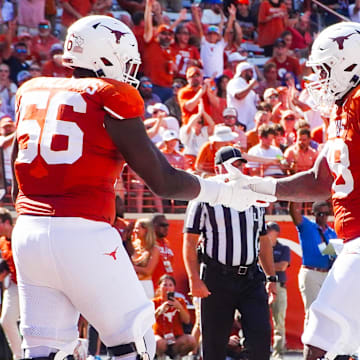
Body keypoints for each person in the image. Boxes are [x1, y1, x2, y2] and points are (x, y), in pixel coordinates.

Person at [11, 15, 274, 360]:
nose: (131, 69)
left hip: (27, 233)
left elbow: (17, 178)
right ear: (105, 56)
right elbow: (163, 181)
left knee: (44, 349)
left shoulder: (32, 91)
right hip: (84, 231)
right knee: (133, 340)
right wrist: (222, 191)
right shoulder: (109, 94)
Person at [246, 20, 360, 360]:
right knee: (337, 343)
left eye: (326, 70)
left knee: (323, 335)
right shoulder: (342, 109)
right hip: (352, 236)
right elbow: (319, 179)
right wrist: (261, 187)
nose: (319, 80)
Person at [183, 145, 277, 360]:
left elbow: (262, 240)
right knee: (214, 345)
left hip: (251, 278)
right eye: (234, 165)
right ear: (218, 169)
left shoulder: (254, 196)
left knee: (261, 340)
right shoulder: (204, 197)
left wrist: (271, 277)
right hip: (217, 277)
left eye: (241, 164)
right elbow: (189, 241)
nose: (240, 169)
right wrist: (194, 279)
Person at [289, 201, 336, 329]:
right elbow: (294, 212)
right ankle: (309, 347)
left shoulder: (332, 232)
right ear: (313, 213)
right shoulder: (307, 226)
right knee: (312, 311)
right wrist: (294, 196)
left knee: (327, 313)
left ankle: (325, 347)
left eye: (327, 213)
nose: (324, 216)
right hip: (311, 273)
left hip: (327, 274)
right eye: (320, 213)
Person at [152, 274, 196, 358]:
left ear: (174, 288)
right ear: (159, 287)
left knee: (191, 340)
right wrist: (159, 310)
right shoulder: (154, 302)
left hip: (176, 337)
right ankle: (161, 357)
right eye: (165, 285)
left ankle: (177, 356)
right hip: (160, 336)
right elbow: (148, 321)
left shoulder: (180, 301)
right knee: (159, 343)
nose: (167, 288)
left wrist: (179, 307)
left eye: (170, 285)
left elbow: (187, 320)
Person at [0, 207, 22, 360]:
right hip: (14, 284)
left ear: (7, 222)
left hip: (32, 284)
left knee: (34, 327)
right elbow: (6, 267)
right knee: (6, 320)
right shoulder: (2, 241)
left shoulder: (20, 236)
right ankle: (19, 356)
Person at [267, 221, 290, 360]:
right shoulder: (259, 248)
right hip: (262, 285)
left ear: (276, 233)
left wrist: (266, 265)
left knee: (279, 321)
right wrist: (273, 266)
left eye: (270, 230)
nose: (268, 232)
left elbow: (283, 266)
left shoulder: (283, 248)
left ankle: (278, 354)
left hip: (279, 287)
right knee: (257, 320)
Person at [131, 218, 160, 299]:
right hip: (132, 284)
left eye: (137, 228)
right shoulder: (133, 247)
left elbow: (148, 271)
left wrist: (131, 268)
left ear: (146, 230)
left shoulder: (154, 249)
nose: (135, 231)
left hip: (145, 286)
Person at [226, 62, 258, 131]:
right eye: (250, 71)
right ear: (243, 72)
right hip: (239, 123)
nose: (252, 74)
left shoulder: (247, 85)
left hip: (250, 124)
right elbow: (238, 96)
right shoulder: (234, 82)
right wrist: (251, 86)